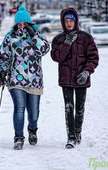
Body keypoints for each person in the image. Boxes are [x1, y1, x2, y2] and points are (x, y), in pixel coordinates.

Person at [0, 6, 50, 150]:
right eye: (19, 24)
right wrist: (2, 70)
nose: (22, 27)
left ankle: (32, 130)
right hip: (16, 79)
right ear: (16, 25)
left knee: (33, 114)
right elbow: (4, 56)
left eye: (24, 24)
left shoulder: (38, 35)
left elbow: (45, 50)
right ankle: (18, 137)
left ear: (29, 24)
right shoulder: (10, 37)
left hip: (34, 80)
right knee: (19, 108)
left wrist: (34, 36)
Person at [51, 8, 99, 149]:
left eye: (71, 20)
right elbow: (57, 57)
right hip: (66, 80)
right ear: (63, 22)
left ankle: (78, 133)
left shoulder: (86, 38)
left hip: (81, 79)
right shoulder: (58, 39)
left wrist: (86, 72)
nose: (69, 23)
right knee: (68, 108)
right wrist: (67, 43)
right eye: (66, 21)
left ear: (75, 21)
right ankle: (70, 137)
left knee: (79, 109)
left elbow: (93, 57)